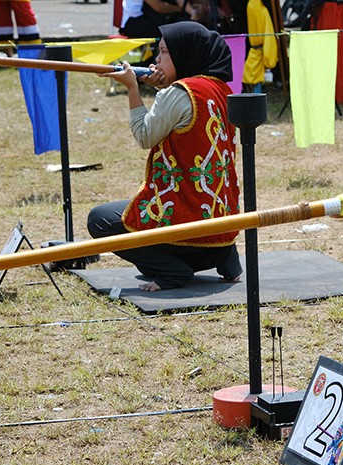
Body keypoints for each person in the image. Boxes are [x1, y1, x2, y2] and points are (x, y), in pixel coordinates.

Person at [90, 22, 241, 292]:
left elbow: (145, 136)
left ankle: (172, 272)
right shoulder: (220, 88)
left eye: (164, 52)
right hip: (221, 225)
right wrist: (163, 88)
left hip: (185, 220)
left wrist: (133, 90)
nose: (157, 60)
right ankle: (227, 259)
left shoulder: (178, 93)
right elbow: (183, 118)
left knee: (100, 220)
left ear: (184, 55)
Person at [119, 0, 197, 39]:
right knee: (172, 31)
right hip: (133, 23)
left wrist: (191, 12)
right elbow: (159, 7)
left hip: (147, 18)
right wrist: (179, 9)